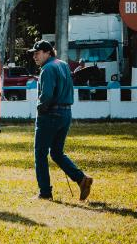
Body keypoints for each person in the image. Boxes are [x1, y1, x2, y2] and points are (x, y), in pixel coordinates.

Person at [28, 40, 93, 201]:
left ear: (48, 52)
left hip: (50, 114)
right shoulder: (62, 64)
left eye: (38, 53)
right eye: (34, 53)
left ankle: (45, 193)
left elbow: (47, 95)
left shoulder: (47, 69)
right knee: (56, 153)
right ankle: (81, 179)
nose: (35, 56)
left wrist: (40, 108)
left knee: (40, 154)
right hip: (65, 113)